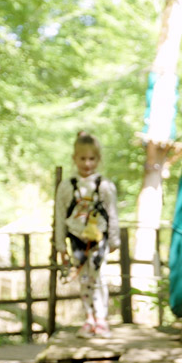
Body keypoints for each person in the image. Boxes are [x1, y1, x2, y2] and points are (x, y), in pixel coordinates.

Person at [54, 131, 120, 337]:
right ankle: (88, 318)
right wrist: (61, 245)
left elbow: (112, 214)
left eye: (91, 159)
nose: (87, 163)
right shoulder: (66, 187)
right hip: (76, 238)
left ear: (98, 159)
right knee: (84, 279)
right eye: (82, 158)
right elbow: (59, 216)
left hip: (98, 238)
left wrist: (114, 239)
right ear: (74, 159)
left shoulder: (105, 186)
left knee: (98, 277)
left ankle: (101, 319)